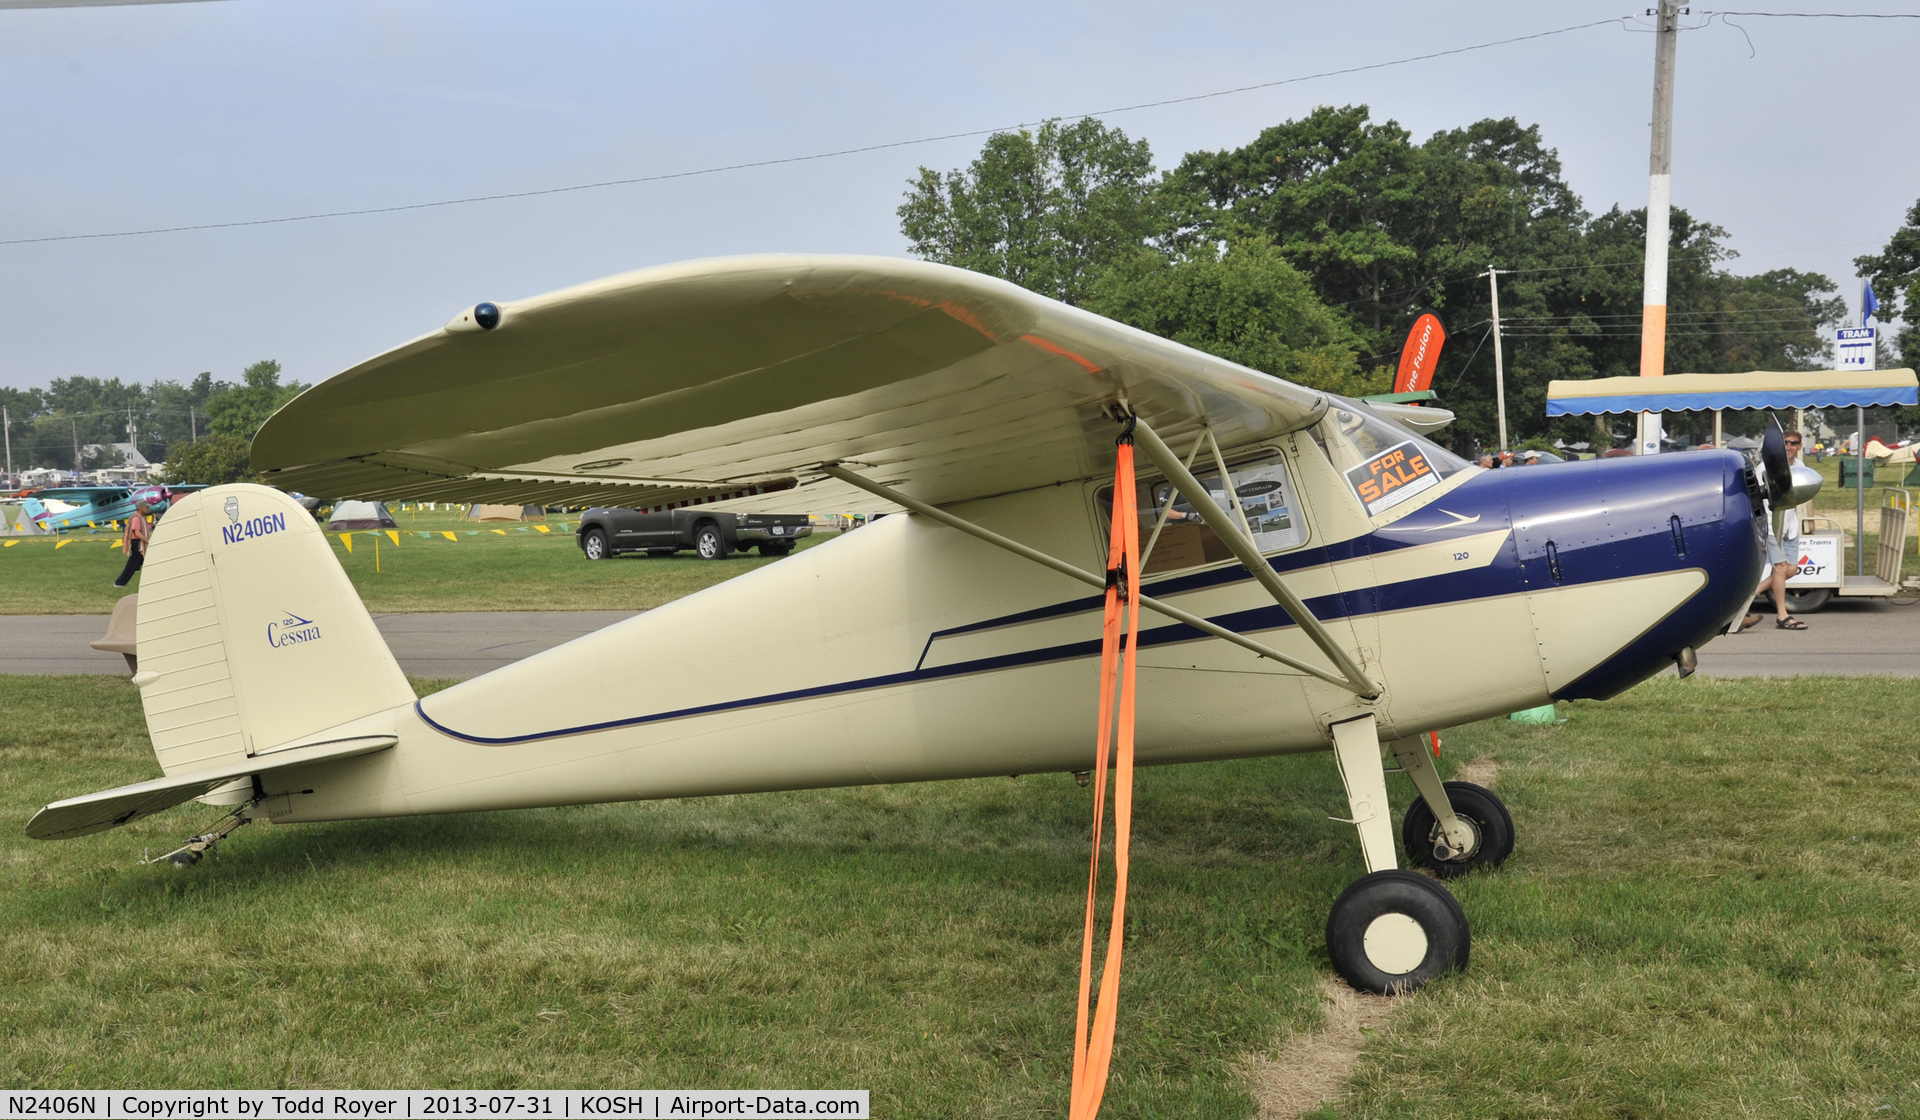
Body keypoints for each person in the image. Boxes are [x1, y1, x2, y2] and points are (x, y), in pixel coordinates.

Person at [1738, 430, 1808, 632]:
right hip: (1770, 523)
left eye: (1794, 443)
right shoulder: (1764, 468)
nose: (1789, 446)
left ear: (1800, 446)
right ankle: (1782, 616)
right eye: (1785, 442)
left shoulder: (1801, 468)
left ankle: (1742, 603)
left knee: (1791, 570)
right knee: (1780, 567)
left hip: (1790, 526)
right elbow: (1756, 497)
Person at [113, 501, 151, 588]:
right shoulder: (136, 519)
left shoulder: (142, 518)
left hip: (140, 542)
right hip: (137, 543)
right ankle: (119, 583)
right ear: (140, 508)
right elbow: (137, 533)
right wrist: (148, 541)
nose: (148, 509)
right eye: (146, 507)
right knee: (133, 564)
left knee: (144, 563)